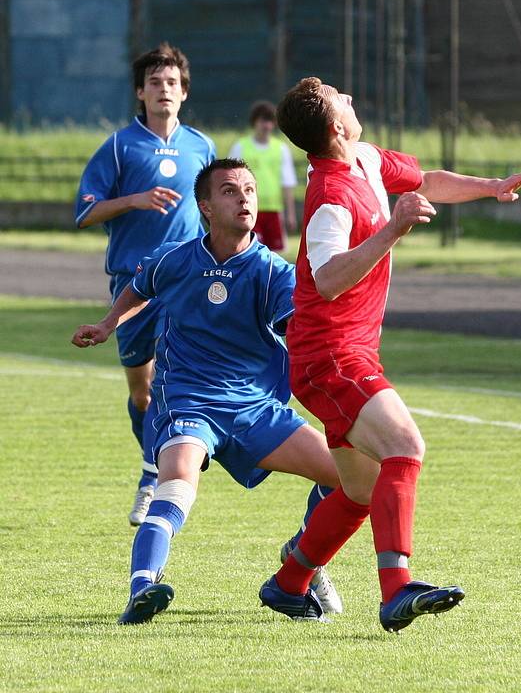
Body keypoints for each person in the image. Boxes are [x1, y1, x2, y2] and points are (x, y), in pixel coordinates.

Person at [259, 76, 521, 632]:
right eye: (342, 97)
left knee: (362, 491)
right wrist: (392, 228)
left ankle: (289, 582)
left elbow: (428, 181)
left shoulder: (364, 160)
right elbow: (327, 280)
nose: (350, 95)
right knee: (406, 445)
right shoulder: (329, 198)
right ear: (336, 126)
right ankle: (396, 589)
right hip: (329, 358)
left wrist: (492, 185)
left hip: (348, 352)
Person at [71, 158, 344, 625]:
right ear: (206, 207)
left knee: (347, 475)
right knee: (177, 481)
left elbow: (293, 326)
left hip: (255, 409)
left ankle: (304, 555)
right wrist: (107, 323)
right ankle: (142, 591)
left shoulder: (273, 272)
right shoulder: (176, 259)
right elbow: (138, 287)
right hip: (189, 400)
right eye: (230, 191)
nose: (244, 199)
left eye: (250, 190)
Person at [75, 43, 215, 526]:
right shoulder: (119, 146)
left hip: (185, 282)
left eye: (172, 83)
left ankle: (158, 475)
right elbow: (85, 212)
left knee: (176, 382)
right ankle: (151, 461)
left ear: (184, 92)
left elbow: (214, 212)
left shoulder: (202, 147)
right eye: (155, 82)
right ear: (140, 91)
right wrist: (133, 199)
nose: (164, 90)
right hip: (133, 285)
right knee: (143, 392)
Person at [229, 100, 297, 251]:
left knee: (275, 255)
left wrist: (290, 214)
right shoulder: (240, 147)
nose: (266, 125)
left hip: (274, 210)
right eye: (262, 121)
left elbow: (287, 183)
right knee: (248, 250)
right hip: (248, 209)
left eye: (270, 121)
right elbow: (229, 181)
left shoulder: (281, 149)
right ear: (255, 122)